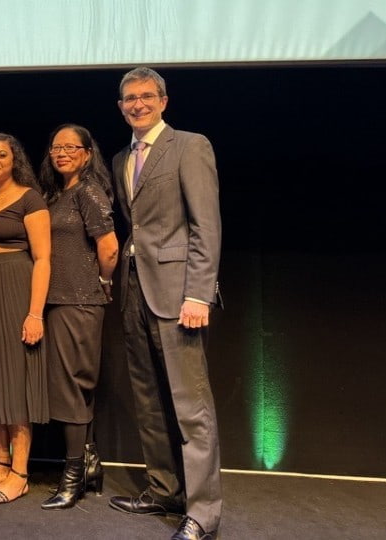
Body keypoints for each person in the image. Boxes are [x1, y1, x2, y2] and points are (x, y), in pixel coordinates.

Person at [107, 67, 223, 540]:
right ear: (120, 106)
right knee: (150, 401)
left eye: (146, 96)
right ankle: (163, 489)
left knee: (191, 407)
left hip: (179, 296)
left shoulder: (190, 146)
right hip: (135, 291)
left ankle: (203, 512)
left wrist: (198, 293)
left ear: (163, 101)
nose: (138, 104)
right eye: (129, 99)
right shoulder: (120, 159)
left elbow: (205, 226)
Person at [36, 124, 118, 510]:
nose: (62, 152)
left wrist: (103, 281)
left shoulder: (88, 191)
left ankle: (71, 480)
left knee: (71, 388)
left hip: (79, 300)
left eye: (71, 147)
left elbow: (109, 246)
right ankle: (89, 464)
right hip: (57, 301)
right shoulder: (57, 194)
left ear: (87, 153)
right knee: (72, 386)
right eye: (57, 147)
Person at [0, 133, 50, 504]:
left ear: (14, 159)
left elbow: (44, 259)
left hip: (15, 289)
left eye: (2, 155)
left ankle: (20, 472)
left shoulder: (30, 199)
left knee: (15, 385)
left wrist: (35, 313)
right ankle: (0, 463)